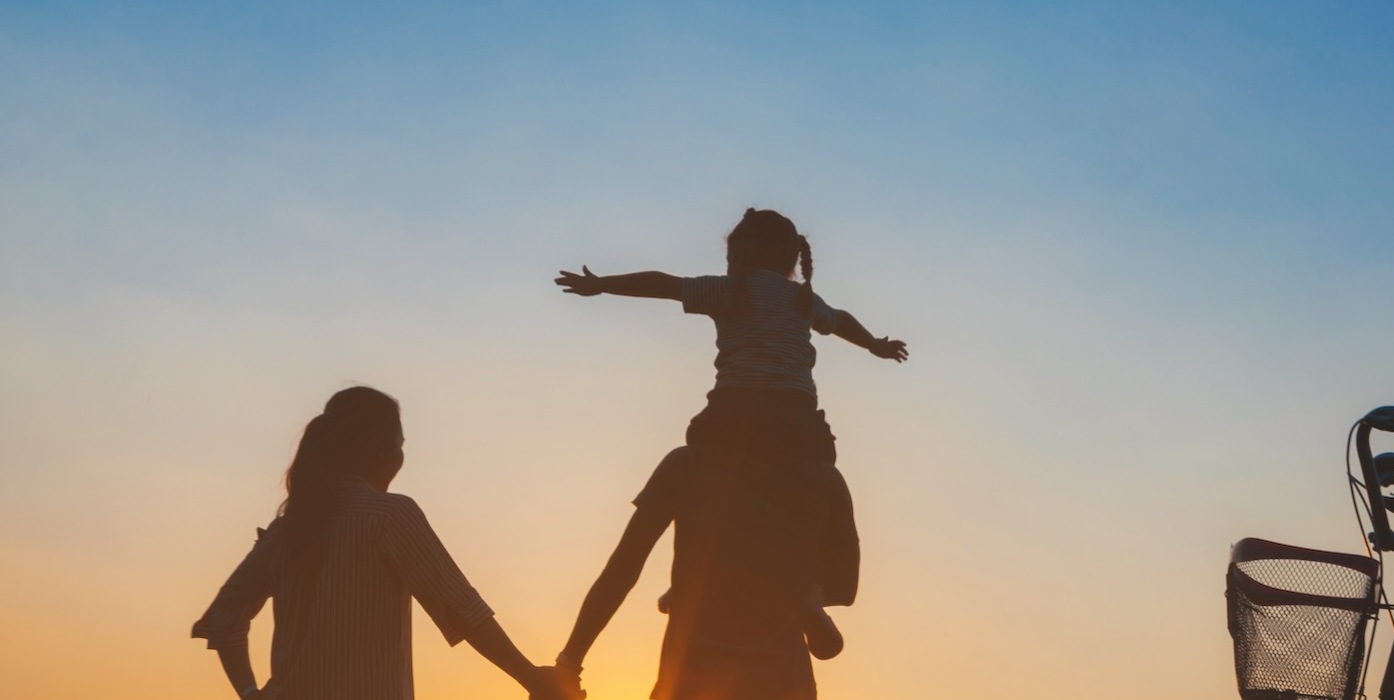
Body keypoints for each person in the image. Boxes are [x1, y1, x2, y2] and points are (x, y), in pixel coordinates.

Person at [551, 208, 903, 698]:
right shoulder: (803, 300)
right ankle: (810, 596)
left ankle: (699, 574)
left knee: (705, 453)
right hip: (800, 428)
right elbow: (841, 321)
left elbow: (663, 283)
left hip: (734, 421)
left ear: (739, 255)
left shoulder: (729, 291)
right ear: (792, 262)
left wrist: (604, 284)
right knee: (821, 499)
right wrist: (876, 346)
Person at [191, 386, 581, 700]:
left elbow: (225, 623)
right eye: (401, 443)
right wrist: (532, 679)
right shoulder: (388, 516)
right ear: (381, 450)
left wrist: (249, 692)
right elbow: (462, 609)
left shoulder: (286, 530)